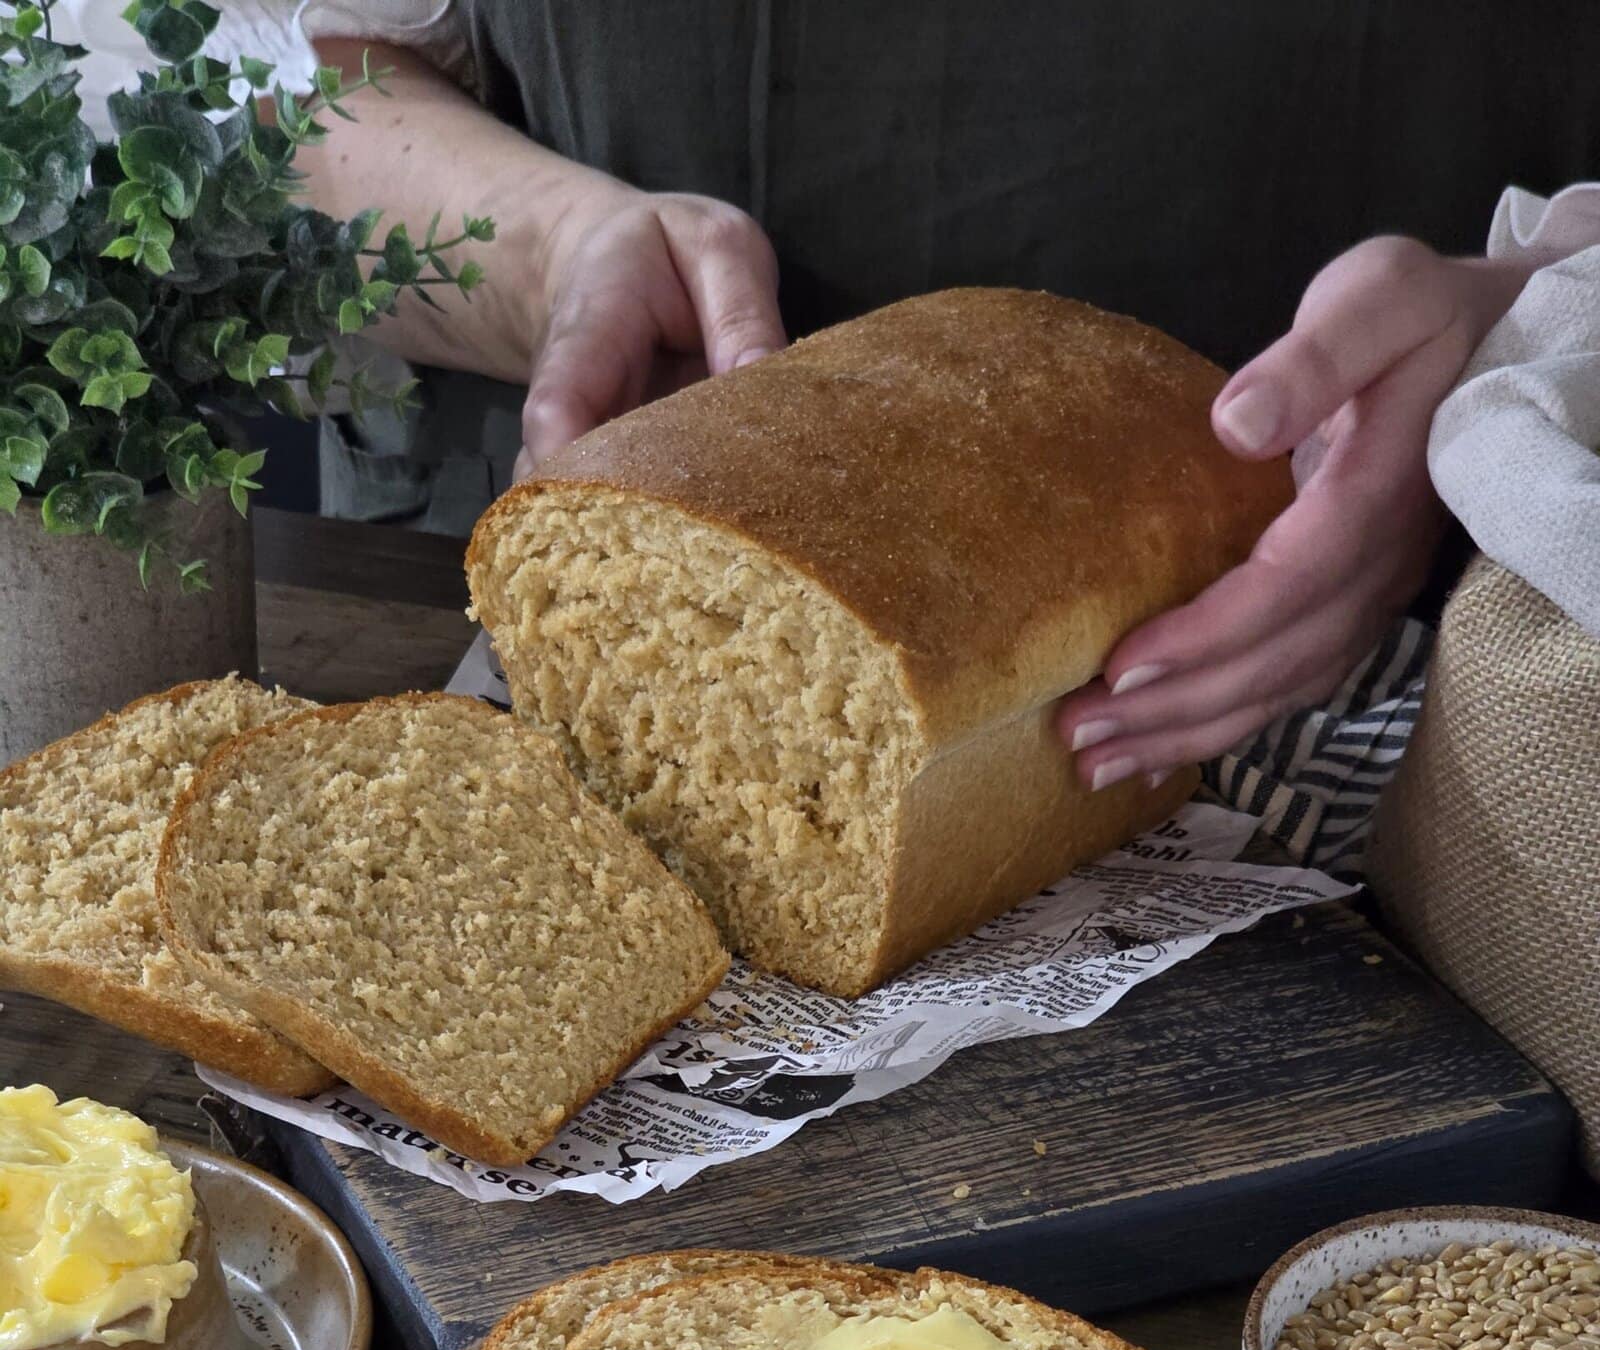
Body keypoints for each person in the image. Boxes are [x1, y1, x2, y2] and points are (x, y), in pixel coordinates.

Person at [276, 3, 1599, 790]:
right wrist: (557, 248)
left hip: (1455, 752)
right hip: (610, 708)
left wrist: (1527, 335)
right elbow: (255, 99)